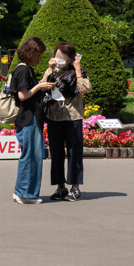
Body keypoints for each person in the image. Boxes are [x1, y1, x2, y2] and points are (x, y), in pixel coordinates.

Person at [43, 41, 92, 201]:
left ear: (71, 59)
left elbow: (85, 88)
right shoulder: (52, 71)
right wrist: (50, 69)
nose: (59, 60)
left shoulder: (78, 72)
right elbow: (42, 86)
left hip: (73, 117)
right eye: (57, 56)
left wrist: (77, 68)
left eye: (63, 58)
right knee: (56, 153)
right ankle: (60, 187)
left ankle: (75, 187)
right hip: (54, 116)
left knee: (74, 153)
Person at [10, 37, 54, 204]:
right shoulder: (24, 70)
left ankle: (21, 191)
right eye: (39, 54)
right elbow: (23, 95)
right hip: (29, 118)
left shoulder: (22, 69)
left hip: (27, 119)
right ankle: (25, 194)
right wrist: (40, 87)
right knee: (31, 156)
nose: (39, 58)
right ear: (32, 52)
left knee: (29, 155)